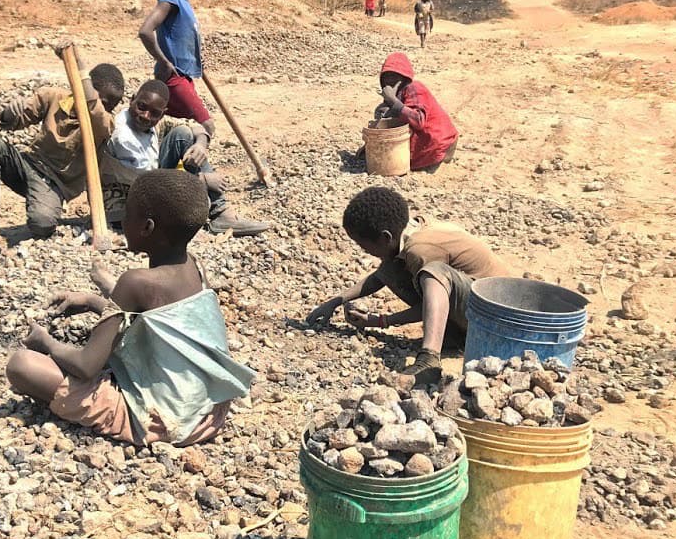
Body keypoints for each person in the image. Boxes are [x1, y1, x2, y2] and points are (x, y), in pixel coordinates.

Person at [6, 170, 255, 446]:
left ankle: (125, 420)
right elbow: (158, 324)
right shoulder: (195, 267)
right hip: (211, 410)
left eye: (127, 214)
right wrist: (92, 301)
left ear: (147, 227)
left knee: (22, 365)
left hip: (166, 421)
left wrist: (46, 342)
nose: (123, 221)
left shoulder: (135, 282)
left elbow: (86, 366)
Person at [305, 186, 512, 385]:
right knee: (394, 266)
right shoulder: (412, 230)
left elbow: (432, 300)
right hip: (479, 307)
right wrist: (336, 301)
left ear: (386, 237)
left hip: (499, 320)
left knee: (434, 273)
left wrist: (380, 321)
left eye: (364, 247)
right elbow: (382, 276)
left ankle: (429, 359)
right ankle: (453, 336)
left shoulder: (420, 250)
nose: (365, 252)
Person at [137, 0, 269, 236]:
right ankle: (218, 208)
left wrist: (195, 59)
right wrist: (165, 62)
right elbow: (145, 31)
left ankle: (181, 191)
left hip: (185, 75)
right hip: (175, 80)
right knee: (205, 127)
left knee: (176, 135)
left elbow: (182, 37)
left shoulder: (181, 0)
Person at [0, 45, 125, 244]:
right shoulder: (54, 98)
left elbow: (94, 108)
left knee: (42, 224)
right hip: (28, 166)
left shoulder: (105, 124)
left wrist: (80, 66)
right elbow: (12, 122)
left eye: (111, 107)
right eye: (104, 103)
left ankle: (39, 203)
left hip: (54, 185)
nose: (106, 110)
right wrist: (10, 113)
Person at [101, 81, 269, 236]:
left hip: (150, 188)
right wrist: (201, 180)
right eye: (141, 107)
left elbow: (193, 126)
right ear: (132, 100)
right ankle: (217, 211)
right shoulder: (123, 136)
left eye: (154, 113)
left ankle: (220, 212)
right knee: (188, 206)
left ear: (162, 114)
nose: (145, 116)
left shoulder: (147, 121)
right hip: (129, 210)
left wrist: (201, 144)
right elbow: (151, 184)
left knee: (183, 133)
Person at [375, 52, 458, 172]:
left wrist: (393, 101)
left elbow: (418, 120)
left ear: (404, 78)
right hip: (429, 143)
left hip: (438, 145)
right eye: (386, 77)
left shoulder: (413, 88)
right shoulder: (398, 94)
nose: (389, 81)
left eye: (394, 76)